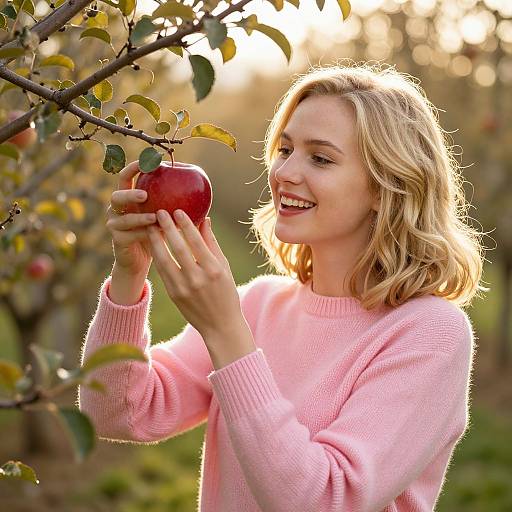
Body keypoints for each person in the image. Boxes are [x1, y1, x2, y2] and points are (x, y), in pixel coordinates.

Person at [78, 61, 488, 511]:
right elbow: (117, 412)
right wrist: (129, 273)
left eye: (321, 158)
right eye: (285, 149)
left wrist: (225, 334)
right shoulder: (260, 303)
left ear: (387, 184)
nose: (284, 172)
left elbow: (326, 499)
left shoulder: (429, 333)